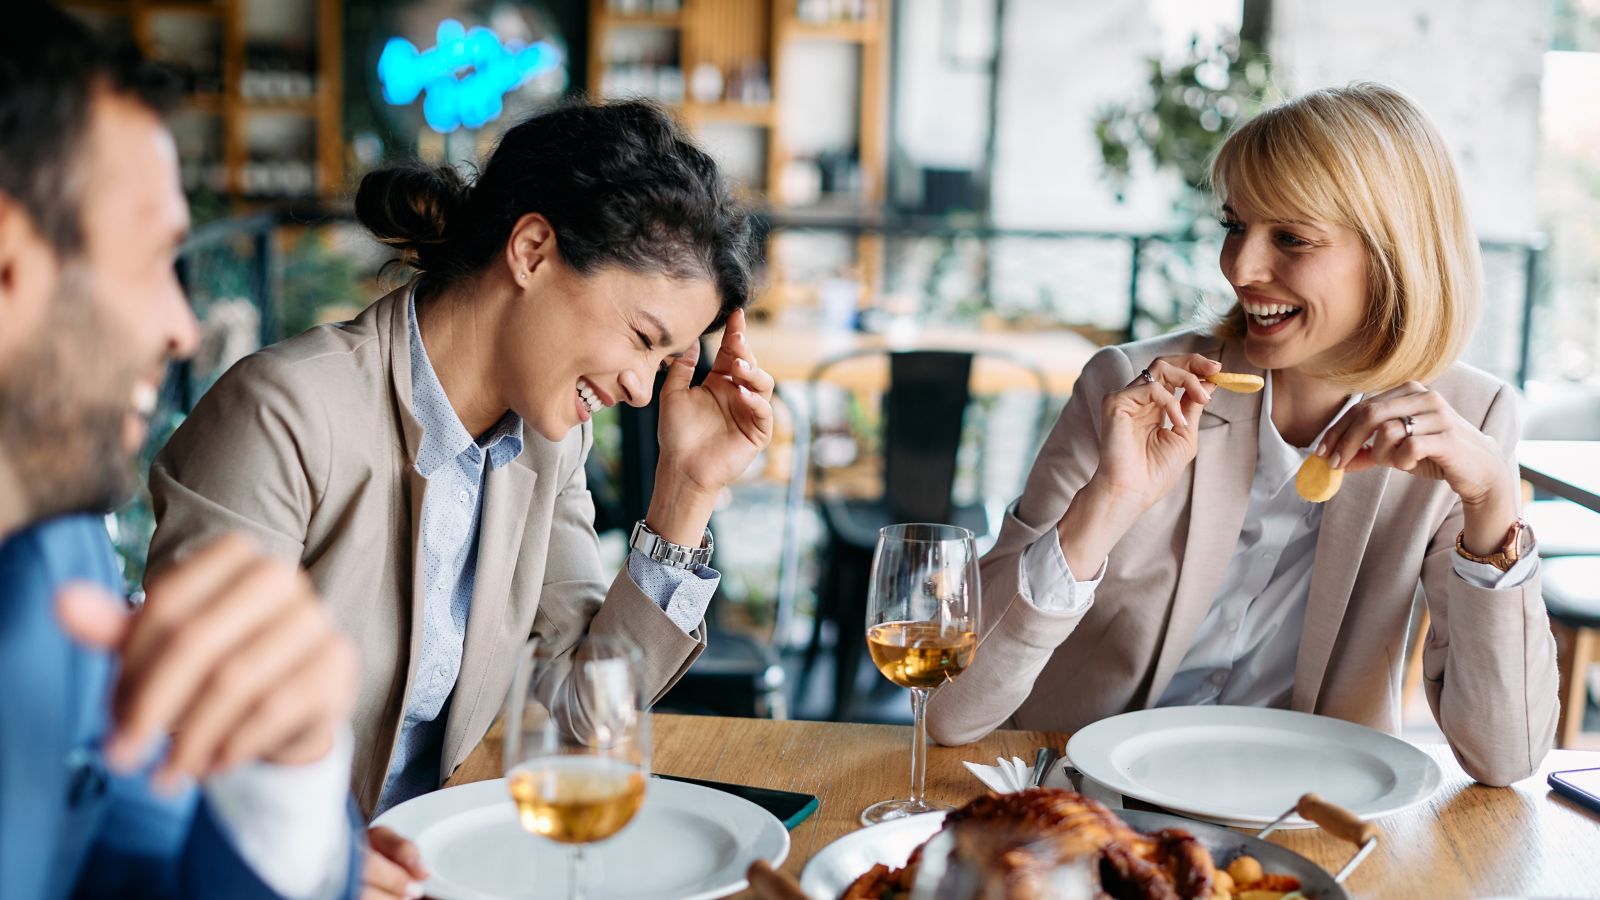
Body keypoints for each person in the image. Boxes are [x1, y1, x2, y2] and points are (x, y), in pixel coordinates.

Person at [146, 100, 773, 895]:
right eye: (644, 340)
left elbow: (586, 711)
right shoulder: (284, 416)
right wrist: (322, 862)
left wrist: (687, 489)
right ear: (533, 252)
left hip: (454, 869)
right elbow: (181, 733)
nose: (643, 391)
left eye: (669, 361)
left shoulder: (549, 442)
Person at [926, 82, 1557, 787]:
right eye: (1235, 226)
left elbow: (1506, 758)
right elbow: (949, 711)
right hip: (1086, 794)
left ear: (1393, 255)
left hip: (1304, 812)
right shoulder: (1131, 389)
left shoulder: (1471, 420)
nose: (1239, 268)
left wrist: (1493, 507)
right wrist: (1107, 502)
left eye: (1291, 237)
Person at [0, 7, 362, 898]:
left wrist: (283, 777)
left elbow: (136, 851)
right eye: (156, 256)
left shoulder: (61, 550)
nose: (183, 326)